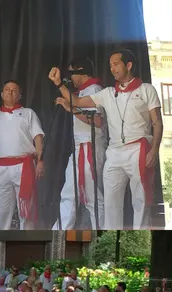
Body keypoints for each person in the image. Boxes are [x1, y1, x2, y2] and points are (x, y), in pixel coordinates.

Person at [48, 49, 163, 229]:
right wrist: (58, 85)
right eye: (110, 65)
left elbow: (157, 122)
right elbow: (77, 102)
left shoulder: (146, 89)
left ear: (129, 65)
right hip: (114, 151)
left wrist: (154, 149)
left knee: (140, 200)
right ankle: (108, 239)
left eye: (116, 64)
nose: (112, 68)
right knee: (110, 202)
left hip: (138, 148)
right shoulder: (108, 93)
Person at [51, 57, 107, 230]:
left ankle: (101, 229)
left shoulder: (95, 90)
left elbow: (98, 121)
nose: (71, 79)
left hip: (90, 146)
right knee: (69, 193)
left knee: (92, 197)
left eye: (72, 74)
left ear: (80, 71)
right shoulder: (82, 92)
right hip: (79, 148)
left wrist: (71, 109)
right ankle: (59, 231)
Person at [0, 80, 45, 230]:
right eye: (7, 89)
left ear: (19, 95)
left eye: (14, 90)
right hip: (2, 167)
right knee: (1, 212)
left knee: (26, 211)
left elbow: (38, 137)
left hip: (24, 166)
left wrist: (41, 161)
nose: (10, 92)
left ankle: (27, 241)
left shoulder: (28, 113)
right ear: (2, 94)